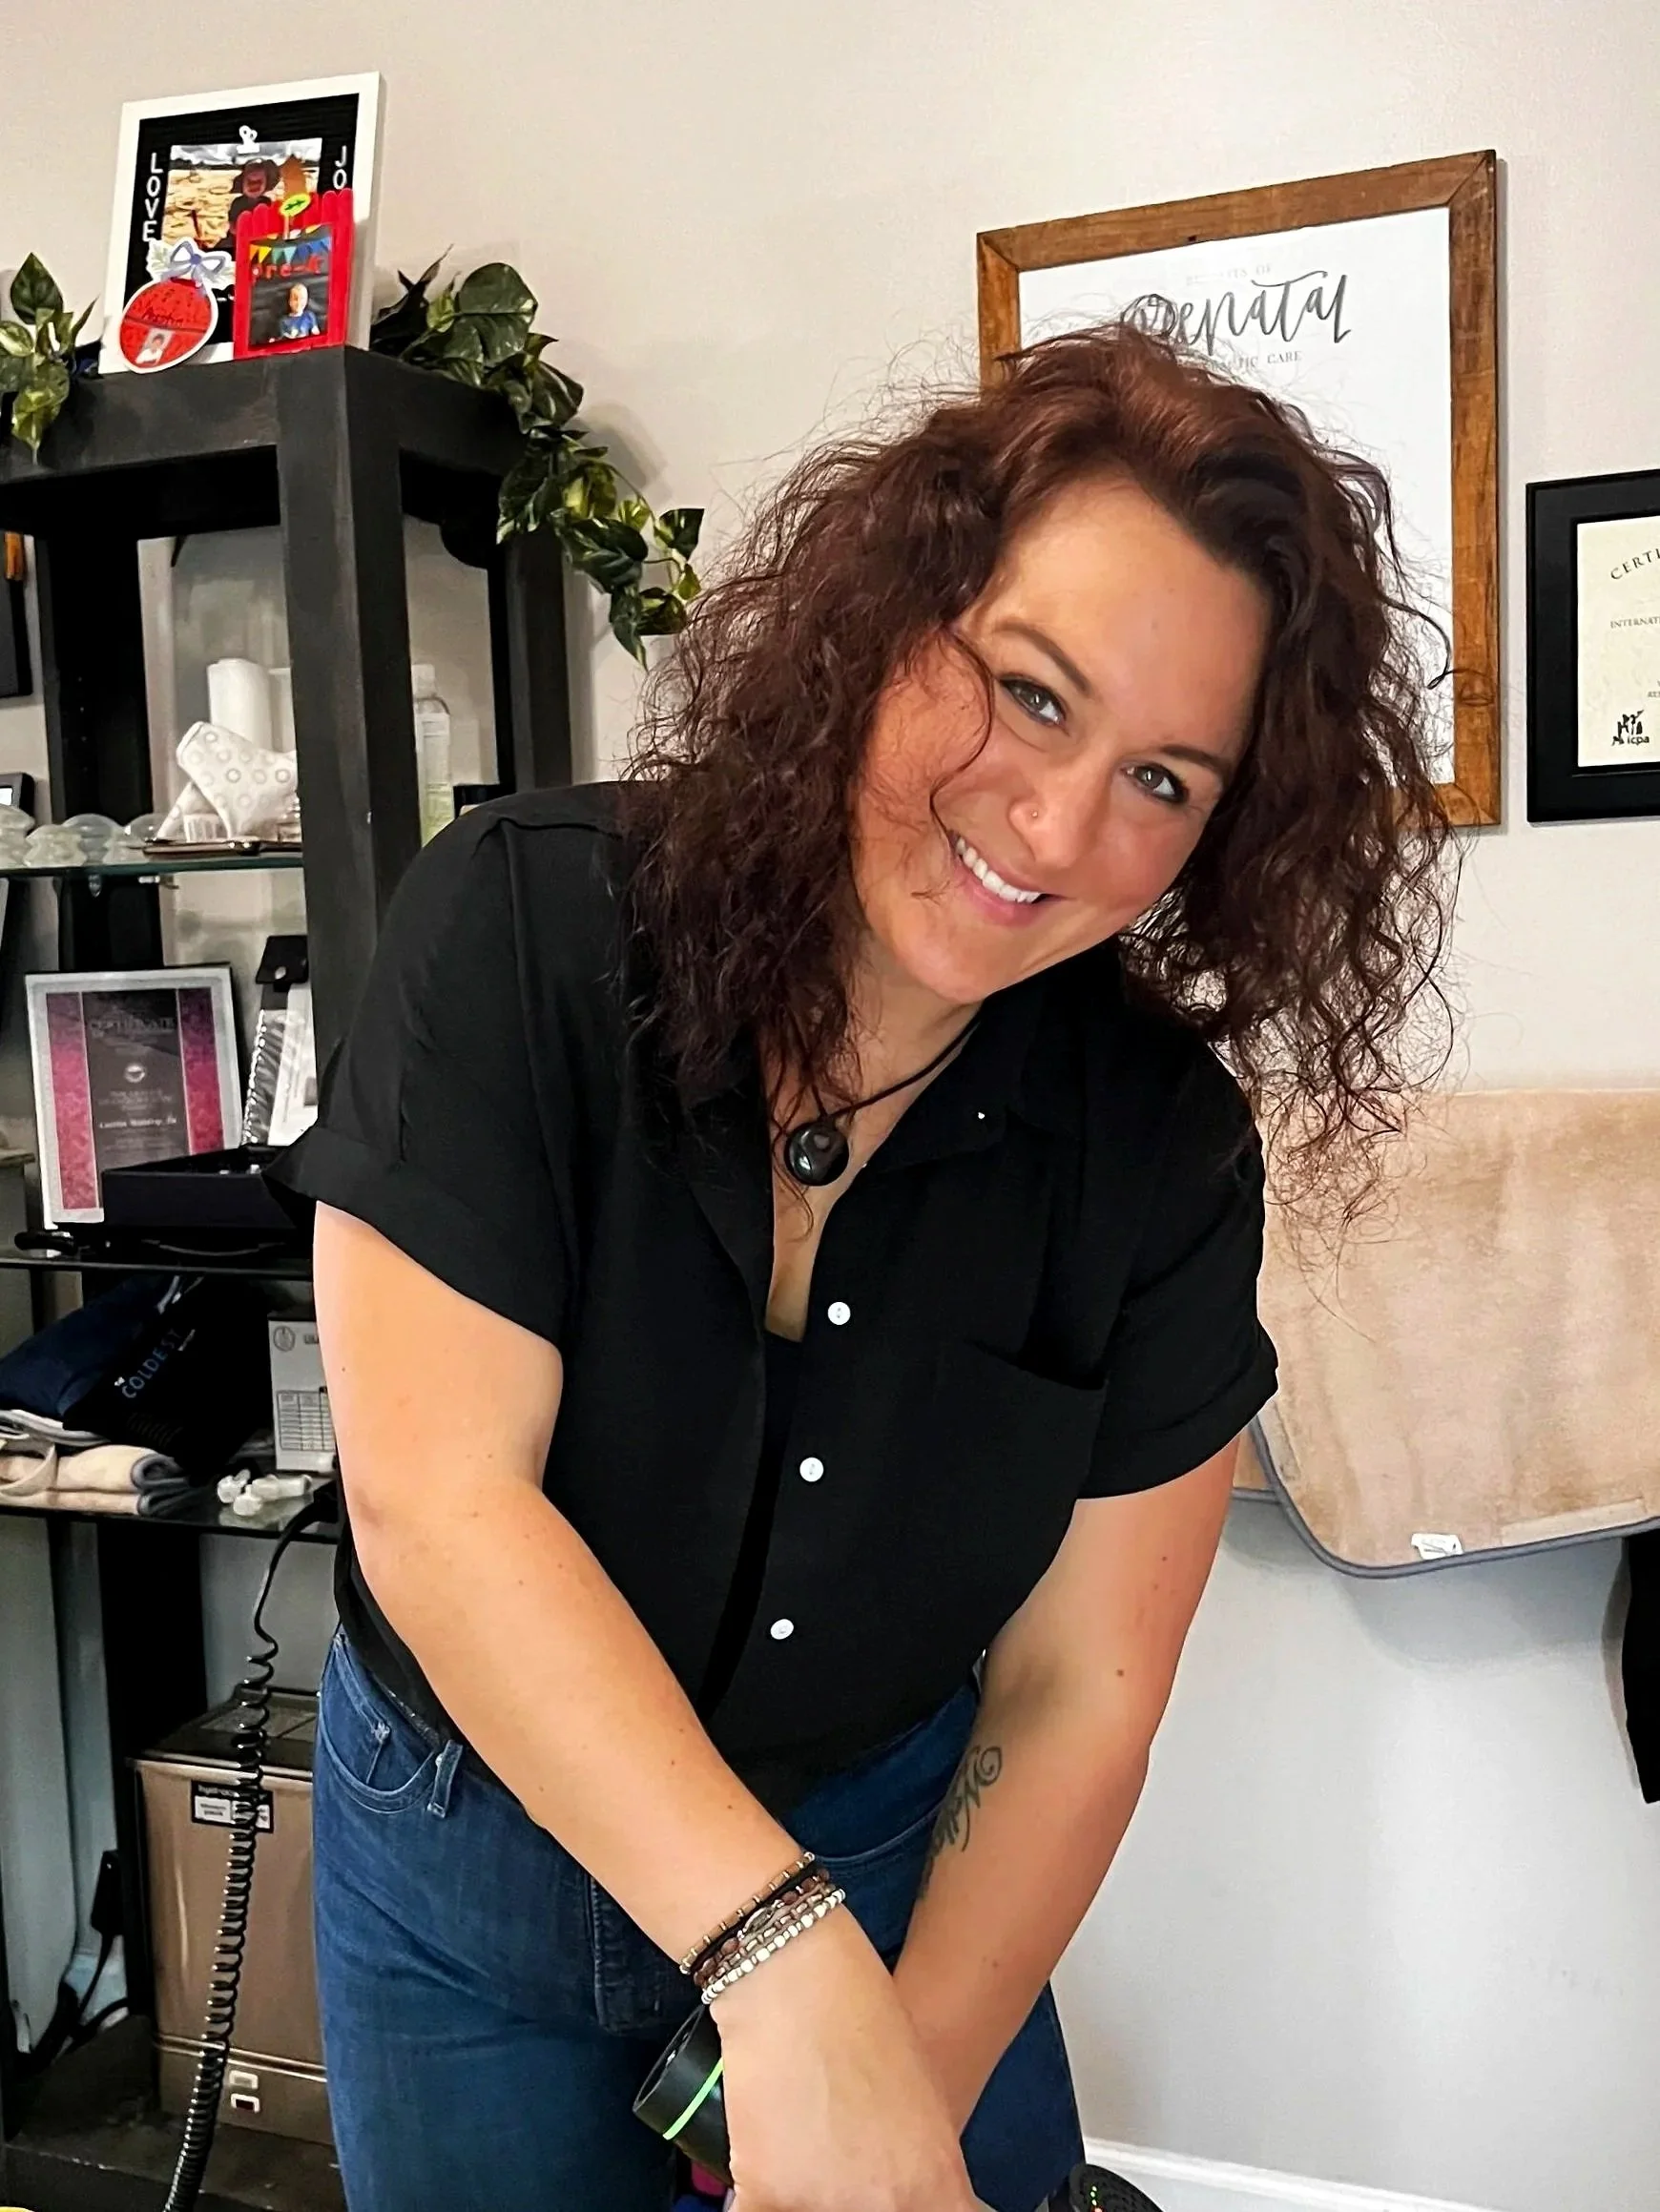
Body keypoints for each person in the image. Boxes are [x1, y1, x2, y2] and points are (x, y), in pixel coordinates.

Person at [274, 321, 1451, 2212]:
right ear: (890, 616)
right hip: (465, 1874)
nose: (1061, 828)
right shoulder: (517, 929)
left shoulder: (1157, 1149)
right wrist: (777, 1957)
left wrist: (891, 2074)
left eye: (1165, 779)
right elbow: (441, 1509)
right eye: (1031, 693)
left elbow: (1082, 1685)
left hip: (905, 1875)